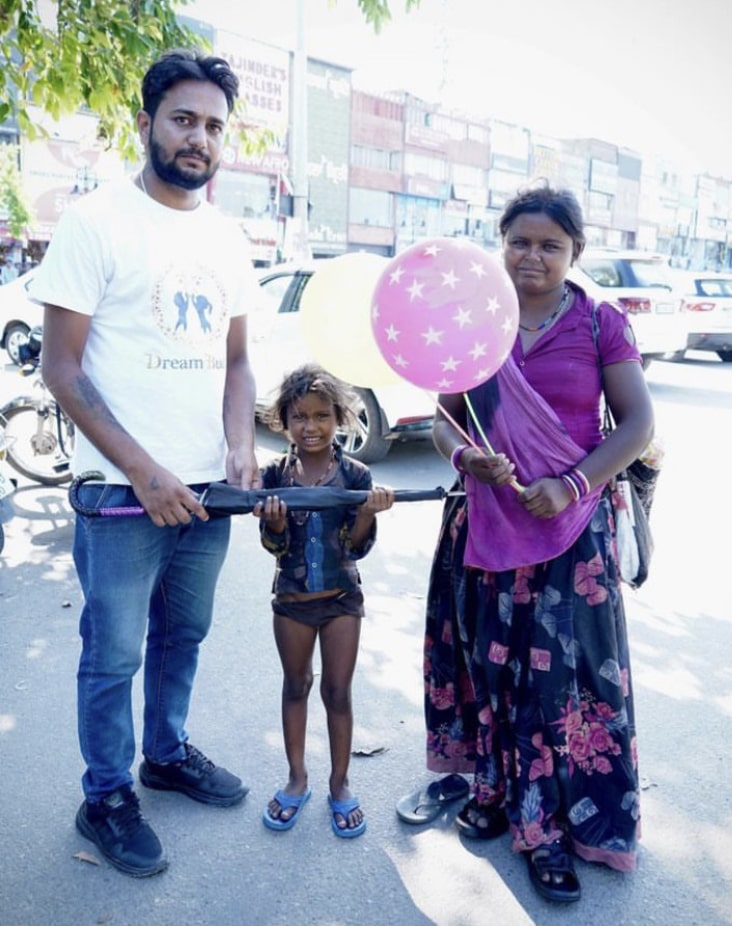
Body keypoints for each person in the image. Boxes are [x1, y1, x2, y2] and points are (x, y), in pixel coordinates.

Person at [31, 49, 260, 878]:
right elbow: (62, 370)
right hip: (122, 494)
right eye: (184, 120)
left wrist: (240, 445)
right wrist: (143, 471)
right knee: (114, 651)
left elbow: (237, 362)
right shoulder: (95, 222)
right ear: (146, 124)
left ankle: (165, 754)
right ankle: (105, 796)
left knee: (183, 637)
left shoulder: (228, 236)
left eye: (213, 127)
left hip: (207, 492)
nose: (199, 139)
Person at [404, 183, 654, 902]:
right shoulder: (473, 322)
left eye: (550, 244)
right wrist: (463, 459)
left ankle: (552, 831)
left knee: (563, 684)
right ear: (500, 244)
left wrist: (575, 485)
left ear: (576, 251)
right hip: (485, 526)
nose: (531, 256)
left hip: (572, 538)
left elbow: (636, 424)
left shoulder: (602, 323)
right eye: (518, 241)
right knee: (489, 668)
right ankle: (494, 790)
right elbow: (443, 419)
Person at [258, 364, 394, 838]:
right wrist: (275, 523)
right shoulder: (274, 474)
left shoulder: (356, 474)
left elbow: (355, 549)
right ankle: (297, 779)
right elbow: (274, 547)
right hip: (292, 600)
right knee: (296, 685)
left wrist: (365, 514)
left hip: (341, 600)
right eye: (299, 417)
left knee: (338, 692)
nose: (310, 427)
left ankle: (340, 783)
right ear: (284, 421)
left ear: (338, 418)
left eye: (321, 416)